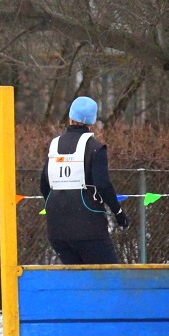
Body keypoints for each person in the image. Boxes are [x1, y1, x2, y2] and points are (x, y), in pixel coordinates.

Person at [39, 96, 129, 264]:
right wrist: (118, 212)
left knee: (76, 277)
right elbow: (103, 185)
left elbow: (44, 185)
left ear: (70, 117)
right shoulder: (95, 148)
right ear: (92, 121)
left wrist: (57, 207)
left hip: (57, 231)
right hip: (89, 229)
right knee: (109, 276)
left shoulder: (54, 145)